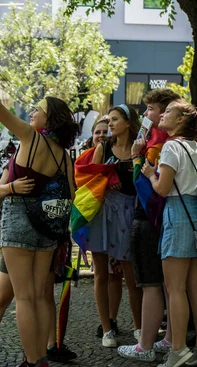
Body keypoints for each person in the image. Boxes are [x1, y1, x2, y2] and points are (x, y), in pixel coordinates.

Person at [0, 47, 77, 367]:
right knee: (38, 296)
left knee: (23, 298)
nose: (32, 113)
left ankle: (33, 363)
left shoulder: (30, 138)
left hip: (21, 223)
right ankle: (41, 359)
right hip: (48, 230)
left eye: (37, 110)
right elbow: (72, 194)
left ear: (48, 119)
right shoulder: (64, 157)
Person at [0, 168, 77, 367]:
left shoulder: (55, 157)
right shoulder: (16, 161)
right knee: (2, 297)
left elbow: (68, 195)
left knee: (43, 296)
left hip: (45, 237)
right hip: (18, 240)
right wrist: (13, 187)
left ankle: (49, 348)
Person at [142, 99, 197, 367]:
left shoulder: (172, 146)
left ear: (181, 120)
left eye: (169, 111)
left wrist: (150, 174)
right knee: (195, 287)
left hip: (178, 215)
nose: (163, 114)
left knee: (174, 288)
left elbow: (162, 188)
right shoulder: (196, 147)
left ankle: (178, 349)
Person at [117, 88, 180, 362]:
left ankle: (145, 345)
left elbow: (147, 190)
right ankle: (170, 338)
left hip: (150, 218)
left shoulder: (157, 145)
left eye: (151, 109)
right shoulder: (173, 141)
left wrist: (135, 157)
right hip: (168, 219)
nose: (146, 114)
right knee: (170, 285)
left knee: (151, 283)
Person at [86, 104, 143, 348]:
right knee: (101, 273)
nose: (110, 124)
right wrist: (106, 184)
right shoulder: (103, 147)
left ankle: (139, 327)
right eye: (109, 120)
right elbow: (92, 180)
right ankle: (107, 328)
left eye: (115, 119)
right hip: (104, 212)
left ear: (128, 123)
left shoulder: (139, 147)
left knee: (132, 277)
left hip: (130, 212)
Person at [82, 117, 126, 339]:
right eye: (97, 132)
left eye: (104, 132)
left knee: (115, 274)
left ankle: (113, 318)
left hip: (117, 219)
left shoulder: (117, 151)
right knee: (101, 274)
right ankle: (104, 323)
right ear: (91, 135)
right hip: (97, 219)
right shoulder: (84, 158)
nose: (101, 135)